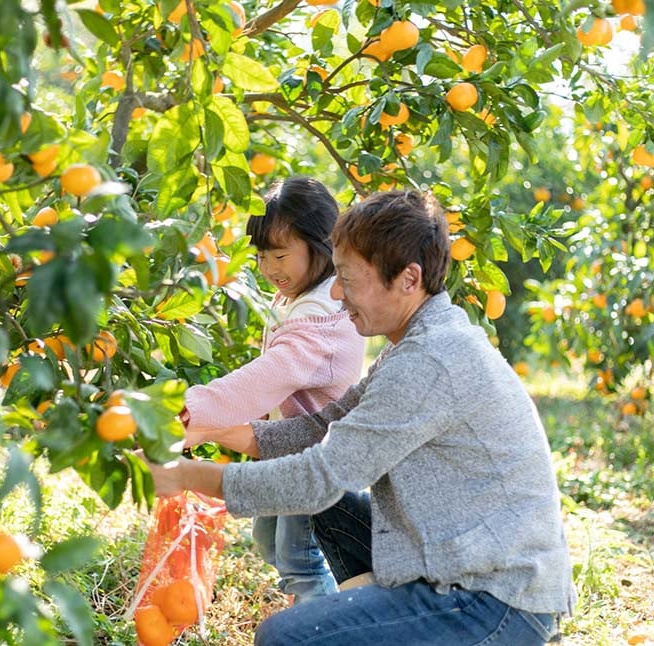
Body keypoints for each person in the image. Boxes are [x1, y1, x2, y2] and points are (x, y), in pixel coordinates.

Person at [151, 190, 575, 644]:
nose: (335, 292)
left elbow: (320, 476)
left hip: (492, 601)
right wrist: (216, 431)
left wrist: (189, 476)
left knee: (284, 638)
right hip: (454, 557)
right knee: (330, 511)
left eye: (348, 279)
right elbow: (320, 427)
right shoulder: (414, 341)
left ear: (408, 279)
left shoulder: (429, 361)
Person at [181, 176, 365, 604]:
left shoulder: (323, 316)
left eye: (280, 255)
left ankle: (319, 628)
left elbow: (268, 376)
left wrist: (191, 410)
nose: (268, 268)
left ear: (321, 248)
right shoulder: (301, 297)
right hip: (289, 448)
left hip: (316, 454)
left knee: (297, 557)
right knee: (268, 539)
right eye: (262, 255)